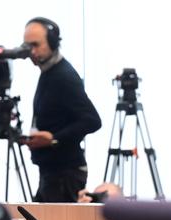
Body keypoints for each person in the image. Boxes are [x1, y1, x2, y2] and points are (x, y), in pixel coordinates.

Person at [22, 17, 102, 202]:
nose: (31, 52)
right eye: (27, 46)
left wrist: (54, 139)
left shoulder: (63, 76)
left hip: (65, 175)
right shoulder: (49, 73)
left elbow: (92, 120)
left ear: (52, 42)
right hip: (52, 173)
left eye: (36, 45)